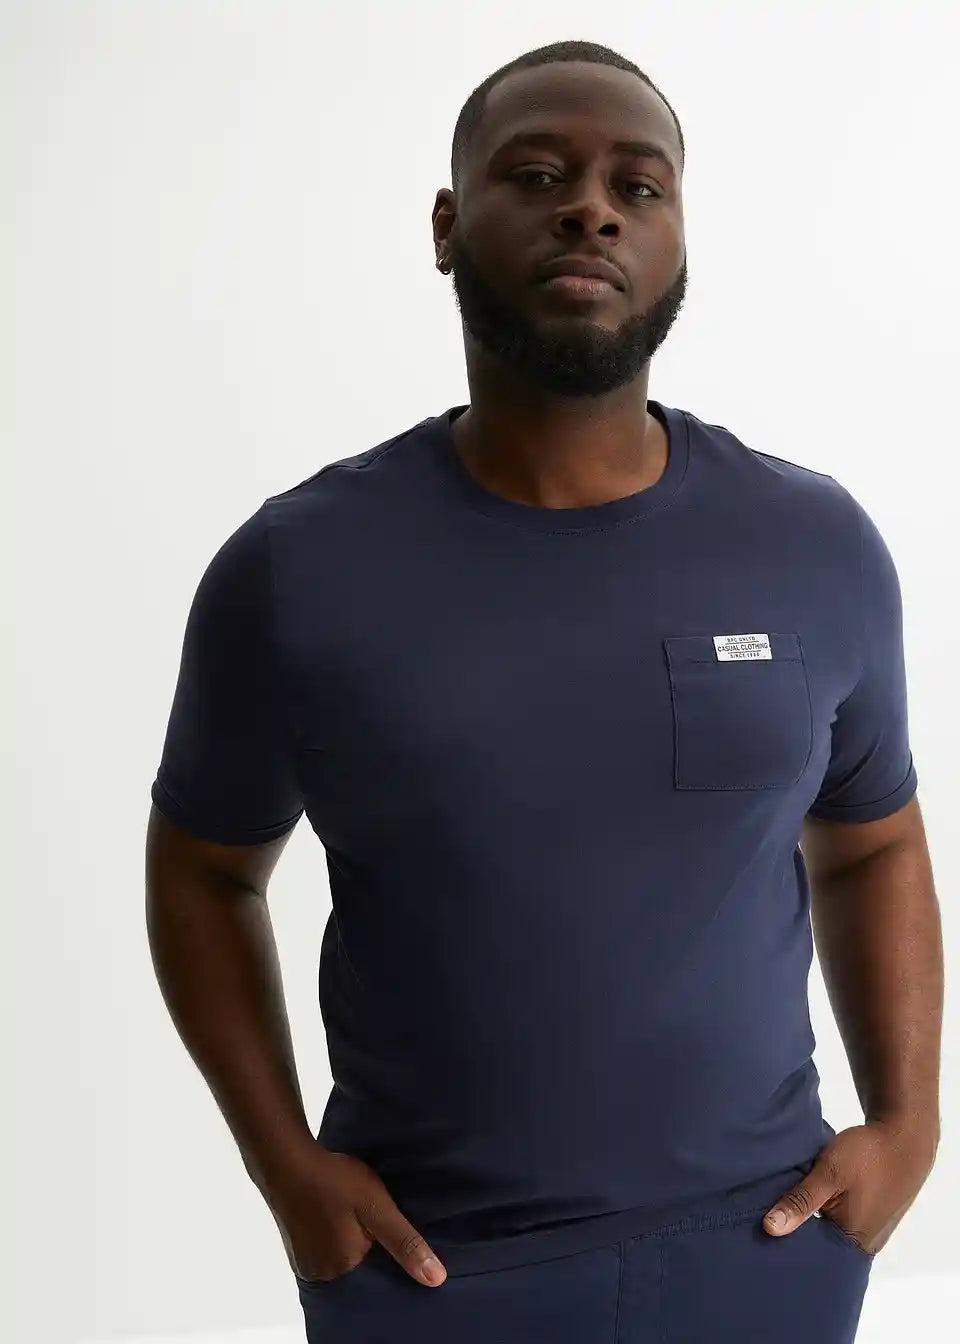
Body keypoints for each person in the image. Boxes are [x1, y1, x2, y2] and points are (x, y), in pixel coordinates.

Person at [146, 39, 943, 1343]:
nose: (592, 209)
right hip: (426, 1270)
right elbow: (202, 872)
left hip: (765, 1251)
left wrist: (908, 1126)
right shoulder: (299, 569)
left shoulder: (814, 546)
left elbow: (874, 843)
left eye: (639, 185)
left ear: (679, 242)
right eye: (537, 174)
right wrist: (284, 1166)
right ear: (446, 226)